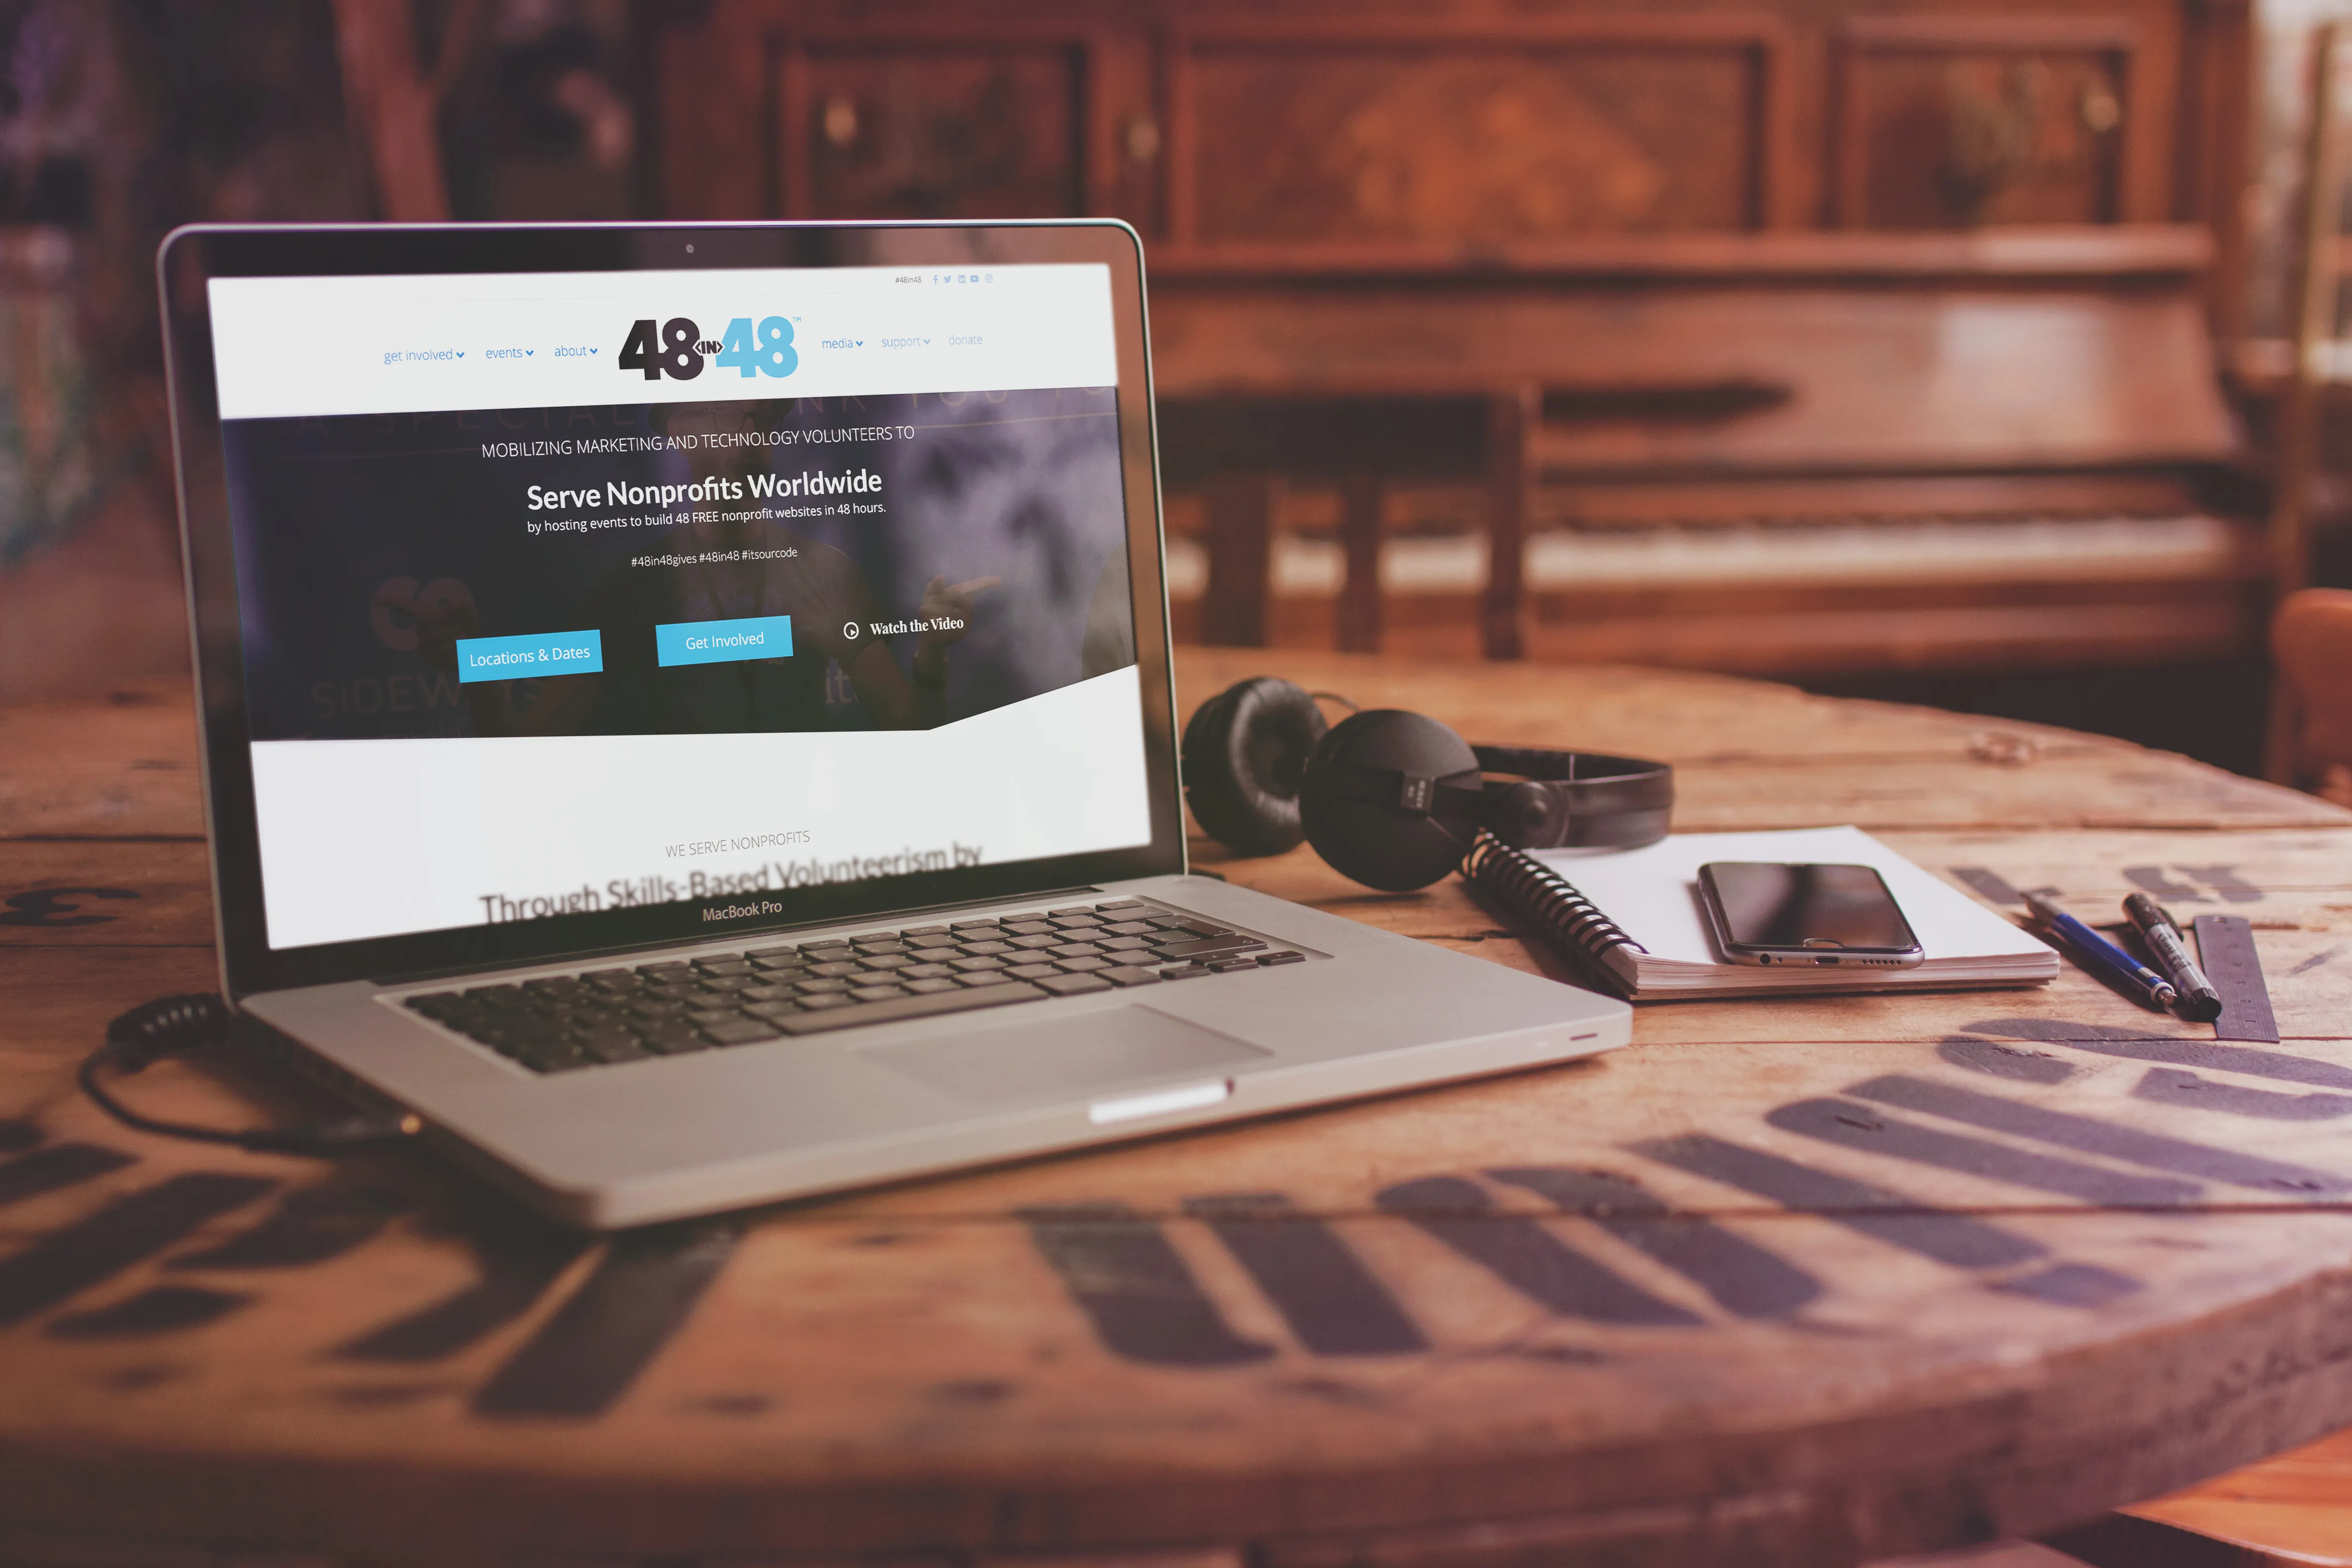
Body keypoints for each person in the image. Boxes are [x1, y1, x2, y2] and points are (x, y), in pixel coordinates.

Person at [380, 399, 995, 736]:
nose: (749, 435)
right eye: (727, 416)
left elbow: (910, 726)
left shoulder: (826, 573)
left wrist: (932, 657)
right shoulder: (637, 588)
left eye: (765, 420)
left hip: (806, 863)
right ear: (680, 432)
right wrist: (474, 666)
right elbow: (524, 754)